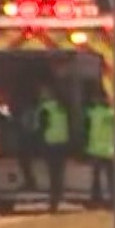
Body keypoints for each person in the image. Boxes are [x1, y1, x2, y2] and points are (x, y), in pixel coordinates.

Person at [35, 84, 72, 214]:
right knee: (58, 173)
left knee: (53, 174)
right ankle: (58, 197)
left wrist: (38, 144)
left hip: (50, 144)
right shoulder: (61, 107)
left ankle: (53, 202)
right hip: (62, 143)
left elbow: (41, 127)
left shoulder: (44, 109)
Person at [83, 87, 115, 209]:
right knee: (110, 178)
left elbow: (86, 125)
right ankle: (113, 199)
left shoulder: (93, 112)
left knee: (96, 177)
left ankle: (95, 199)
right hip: (109, 149)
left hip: (96, 149)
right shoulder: (113, 114)